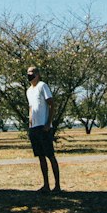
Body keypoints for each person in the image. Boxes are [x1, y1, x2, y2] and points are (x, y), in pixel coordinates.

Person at [25, 66, 61, 194]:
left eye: (32, 72)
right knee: (40, 156)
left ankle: (57, 185)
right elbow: (31, 107)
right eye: (28, 72)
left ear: (38, 74)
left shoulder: (42, 86)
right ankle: (46, 184)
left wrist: (48, 123)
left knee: (50, 155)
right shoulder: (29, 90)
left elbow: (51, 104)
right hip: (34, 127)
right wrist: (30, 124)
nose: (30, 74)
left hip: (43, 126)